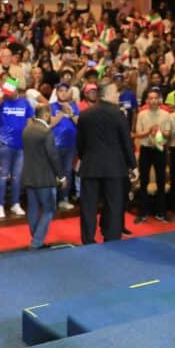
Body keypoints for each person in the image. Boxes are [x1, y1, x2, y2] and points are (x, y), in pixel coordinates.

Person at [76, 85, 138, 244]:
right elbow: (126, 142)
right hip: (114, 168)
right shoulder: (118, 114)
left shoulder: (84, 115)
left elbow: (80, 145)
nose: (118, 94)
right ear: (108, 94)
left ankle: (88, 239)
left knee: (88, 207)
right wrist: (133, 165)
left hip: (90, 167)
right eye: (116, 92)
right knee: (114, 205)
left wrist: (86, 158)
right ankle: (111, 238)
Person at [20, 105, 65, 250]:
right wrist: (61, 176)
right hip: (45, 179)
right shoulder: (46, 132)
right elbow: (53, 156)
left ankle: (35, 239)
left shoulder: (27, 130)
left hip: (29, 176)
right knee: (49, 209)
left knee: (33, 209)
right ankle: (36, 242)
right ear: (46, 115)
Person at [0, 78, 32, 219]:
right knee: (2, 176)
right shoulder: (2, 101)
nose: (11, 91)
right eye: (9, 88)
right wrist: (3, 95)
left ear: (17, 89)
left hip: (21, 145)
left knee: (17, 177)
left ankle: (15, 203)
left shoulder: (25, 103)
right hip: (4, 144)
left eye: (12, 88)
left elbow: (30, 121)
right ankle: (0, 205)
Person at [132, 88, 172, 223]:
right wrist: (149, 131)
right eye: (151, 98)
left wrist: (159, 132)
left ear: (159, 99)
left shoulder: (166, 115)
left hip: (160, 148)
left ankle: (161, 212)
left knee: (161, 181)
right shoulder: (142, 114)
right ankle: (143, 212)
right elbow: (137, 133)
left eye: (156, 98)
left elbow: (167, 134)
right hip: (146, 149)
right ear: (147, 100)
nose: (153, 100)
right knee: (143, 181)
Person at [48, 82, 79, 210]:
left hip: (70, 145)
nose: (63, 92)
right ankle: (52, 200)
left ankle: (64, 199)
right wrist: (61, 112)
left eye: (66, 90)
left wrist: (71, 113)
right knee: (54, 172)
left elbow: (79, 123)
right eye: (60, 90)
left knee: (67, 172)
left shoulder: (74, 106)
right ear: (56, 93)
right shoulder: (51, 106)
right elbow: (50, 124)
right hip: (55, 144)